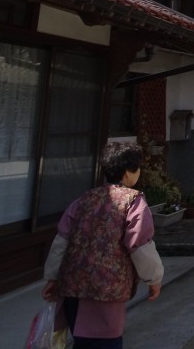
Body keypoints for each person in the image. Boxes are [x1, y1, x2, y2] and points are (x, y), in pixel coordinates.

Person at [41, 142, 164, 349]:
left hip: (72, 285)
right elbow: (140, 245)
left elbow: (61, 241)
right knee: (105, 342)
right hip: (107, 290)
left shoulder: (84, 199)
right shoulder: (133, 202)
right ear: (128, 173)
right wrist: (154, 278)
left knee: (81, 341)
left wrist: (52, 277)